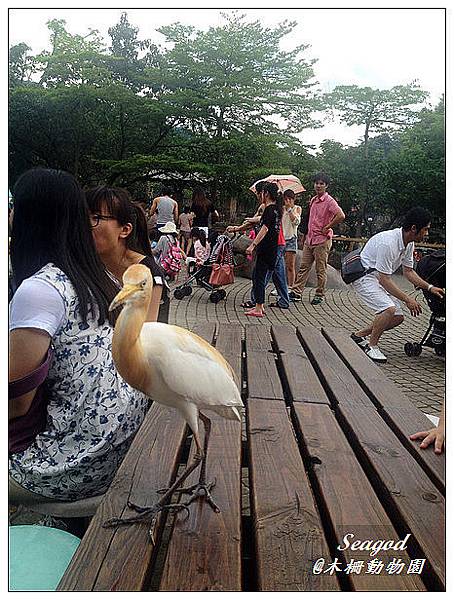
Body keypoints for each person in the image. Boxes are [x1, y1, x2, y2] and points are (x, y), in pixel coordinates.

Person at [9, 168, 149, 503]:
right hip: (121, 439)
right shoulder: (97, 273)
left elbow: (16, 402)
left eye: (14, 206)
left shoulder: (41, 289)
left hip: (77, 463)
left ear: (31, 217)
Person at [350, 206, 444, 363]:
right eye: (425, 229)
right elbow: (384, 279)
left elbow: (408, 272)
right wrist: (408, 299)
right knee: (388, 309)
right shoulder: (388, 243)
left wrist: (429, 287)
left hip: (377, 276)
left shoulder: (409, 243)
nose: (426, 234)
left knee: (398, 317)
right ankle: (371, 346)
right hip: (364, 277)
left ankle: (359, 336)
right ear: (414, 228)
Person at [86, 186, 170, 324]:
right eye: (82, 218)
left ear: (125, 230)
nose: (84, 226)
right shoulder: (84, 264)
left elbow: (144, 335)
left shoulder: (148, 275)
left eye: (96, 217)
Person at [227, 180, 289, 310]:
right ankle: (282, 301)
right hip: (276, 244)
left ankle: (257, 302)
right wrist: (238, 228)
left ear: (264, 193)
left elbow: (263, 226)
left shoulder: (267, 208)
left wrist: (252, 244)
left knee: (261, 275)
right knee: (277, 274)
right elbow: (256, 221)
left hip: (272, 245)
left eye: (257, 192)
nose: (256, 195)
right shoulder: (274, 208)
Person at [290, 173, 345, 305]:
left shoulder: (330, 201)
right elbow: (309, 220)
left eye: (321, 183)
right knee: (304, 267)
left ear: (326, 186)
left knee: (320, 269)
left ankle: (319, 294)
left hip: (322, 240)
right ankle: (296, 292)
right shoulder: (313, 200)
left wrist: (328, 227)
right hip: (310, 239)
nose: (318, 186)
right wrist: (304, 236)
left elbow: (341, 215)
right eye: (316, 183)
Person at [242, 182, 283, 317]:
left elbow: (264, 229)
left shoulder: (269, 210)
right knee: (259, 276)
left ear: (266, 194)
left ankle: (258, 308)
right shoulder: (277, 209)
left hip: (266, 248)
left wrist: (252, 245)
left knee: (258, 277)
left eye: (262, 193)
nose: (260, 195)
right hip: (273, 248)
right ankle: (261, 305)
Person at [281, 189, 302, 289]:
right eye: (286, 199)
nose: (288, 201)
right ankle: (281, 286)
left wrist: (289, 209)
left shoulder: (297, 208)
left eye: (290, 199)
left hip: (291, 239)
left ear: (294, 199)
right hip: (281, 239)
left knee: (290, 265)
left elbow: (296, 222)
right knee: (280, 265)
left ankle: (290, 286)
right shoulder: (281, 209)